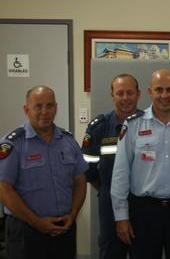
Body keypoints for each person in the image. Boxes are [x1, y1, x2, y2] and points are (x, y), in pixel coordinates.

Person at [111, 69, 170, 259]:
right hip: (144, 211)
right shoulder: (133, 125)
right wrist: (121, 217)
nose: (164, 95)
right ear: (150, 92)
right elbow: (120, 173)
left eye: (169, 90)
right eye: (159, 90)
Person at [0, 86, 88, 259]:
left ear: (56, 107)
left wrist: (73, 214)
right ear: (26, 110)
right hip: (26, 230)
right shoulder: (13, 144)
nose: (44, 111)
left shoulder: (68, 141)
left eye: (49, 106)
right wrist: (36, 222)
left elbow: (80, 181)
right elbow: (4, 189)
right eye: (38, 106)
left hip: (64, 227)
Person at [82, 74, 141, 259]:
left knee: (144, 250)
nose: (125, 98)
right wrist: (106, 188)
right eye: (120, 93)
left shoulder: (149, 123)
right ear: (112, 95)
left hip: (143, 201)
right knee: (111, 250)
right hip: (109, 200)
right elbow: (88, 168)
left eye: (130, 93)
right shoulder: (99, 127)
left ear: (138, 94)